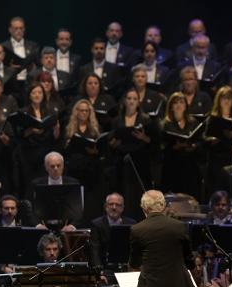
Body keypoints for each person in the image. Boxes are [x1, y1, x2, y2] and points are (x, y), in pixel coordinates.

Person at [108, 88, 158, 219]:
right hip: (122, 163)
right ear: (124, 101)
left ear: (138, 101)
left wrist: (143, 138)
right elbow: (111, 142)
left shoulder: (145, 119)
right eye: (129, 98)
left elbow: (153, 142)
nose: (131, 101)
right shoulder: (116, 120)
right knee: (124, 193)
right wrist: (114, 144)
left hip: (140, 163)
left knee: (139, 196)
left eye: (134, 99)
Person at [12, 83, 61, 198]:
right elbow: (19, 135)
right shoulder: (23, 112)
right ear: (29, 95)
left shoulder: (49, 112)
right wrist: (32, 130)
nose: (37, 95)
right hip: (28, 154)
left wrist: (57, 130)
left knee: (43, 186)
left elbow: (54, 138)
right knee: (29, 186)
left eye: (39, 92)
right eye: (34, 92)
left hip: (45, 153)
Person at [63, 99, 105, 220]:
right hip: (75, 169)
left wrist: (95, 152)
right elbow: (64, 150)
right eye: (81, 110)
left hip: (91, 171)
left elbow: (100, 149)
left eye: (87, 111)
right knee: (75, 201)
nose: (84, 113)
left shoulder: (95, 129)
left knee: (91, 202)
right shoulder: (69, 129)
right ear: (76, 112)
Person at [160, 92, 203, 199]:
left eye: (181, 102)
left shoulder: (193, 123)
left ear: (185, 106)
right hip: (172, 167)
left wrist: (194, 146)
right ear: (171, 106)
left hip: (190, 167)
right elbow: (160, 146)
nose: (178, 105)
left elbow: (200, 141)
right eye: (175, 103)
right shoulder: (165, 124)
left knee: (191, 198)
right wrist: (173, 147)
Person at [204, 86, 232, 197]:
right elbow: (204, 138)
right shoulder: (212, 119)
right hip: (216, 161)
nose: (226, 101)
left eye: (229, 98)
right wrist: (211, 140)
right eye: (223, 98)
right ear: (218, 100)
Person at [89, 193, 136, 268]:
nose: (114, 207)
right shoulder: (97, 224)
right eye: (111, 204)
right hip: (105, 266)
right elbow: (95, 249)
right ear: (105, 206)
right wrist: (98, 269)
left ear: (123, 207)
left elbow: (135, 248)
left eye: (118, 205)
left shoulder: (131, 223)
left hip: (126, 266)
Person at [1, 16, 40, 83]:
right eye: (16, 28)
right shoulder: (3, 46)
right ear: (10, 30)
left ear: (24, 29)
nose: (19, 31)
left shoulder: (33, 46)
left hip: (29, 82)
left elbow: (38, 65)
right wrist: (9, 68)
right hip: (10, 82)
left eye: (21, 28)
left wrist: (31, 68)